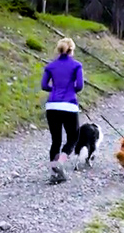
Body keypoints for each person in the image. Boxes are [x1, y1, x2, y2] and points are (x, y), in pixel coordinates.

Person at [41, 37, 84, 183]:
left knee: (56, 140)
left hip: (52, 105)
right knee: (73, 137)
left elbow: (44, 85)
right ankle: (62, 160)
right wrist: (69, 90)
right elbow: (79, 86)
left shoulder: (51, 66)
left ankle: (54, 174)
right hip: (69, 105)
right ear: (71, 50)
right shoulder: (76, 65)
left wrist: (56, 89)